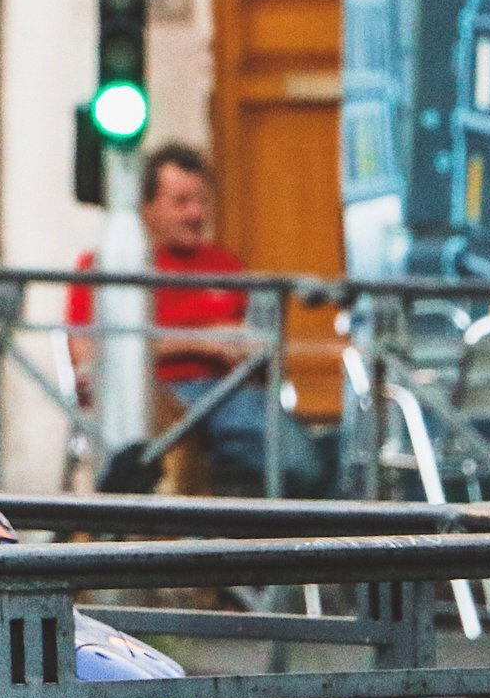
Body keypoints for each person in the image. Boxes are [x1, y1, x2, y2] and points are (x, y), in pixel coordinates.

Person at [67, 143, 328, 495]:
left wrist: (250, 349)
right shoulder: (107, 263)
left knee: (318, 460)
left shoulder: (225, 266)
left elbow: (266, 363)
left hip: (230, 396)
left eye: (203, 201)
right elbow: (88, 354)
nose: (196, 213)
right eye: (181, 202)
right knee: (298, 461)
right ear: (148, 206)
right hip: (155, 395)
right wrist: (202, 342)